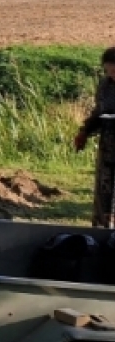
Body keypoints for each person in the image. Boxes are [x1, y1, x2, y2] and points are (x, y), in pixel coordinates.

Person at [75, 47, 115, 228]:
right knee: (103, 190)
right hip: (108, 145)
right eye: (109, 70)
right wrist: (85, 131)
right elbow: (99, 111)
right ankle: (101, 229)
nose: (112, 74)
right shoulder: (105, 85)